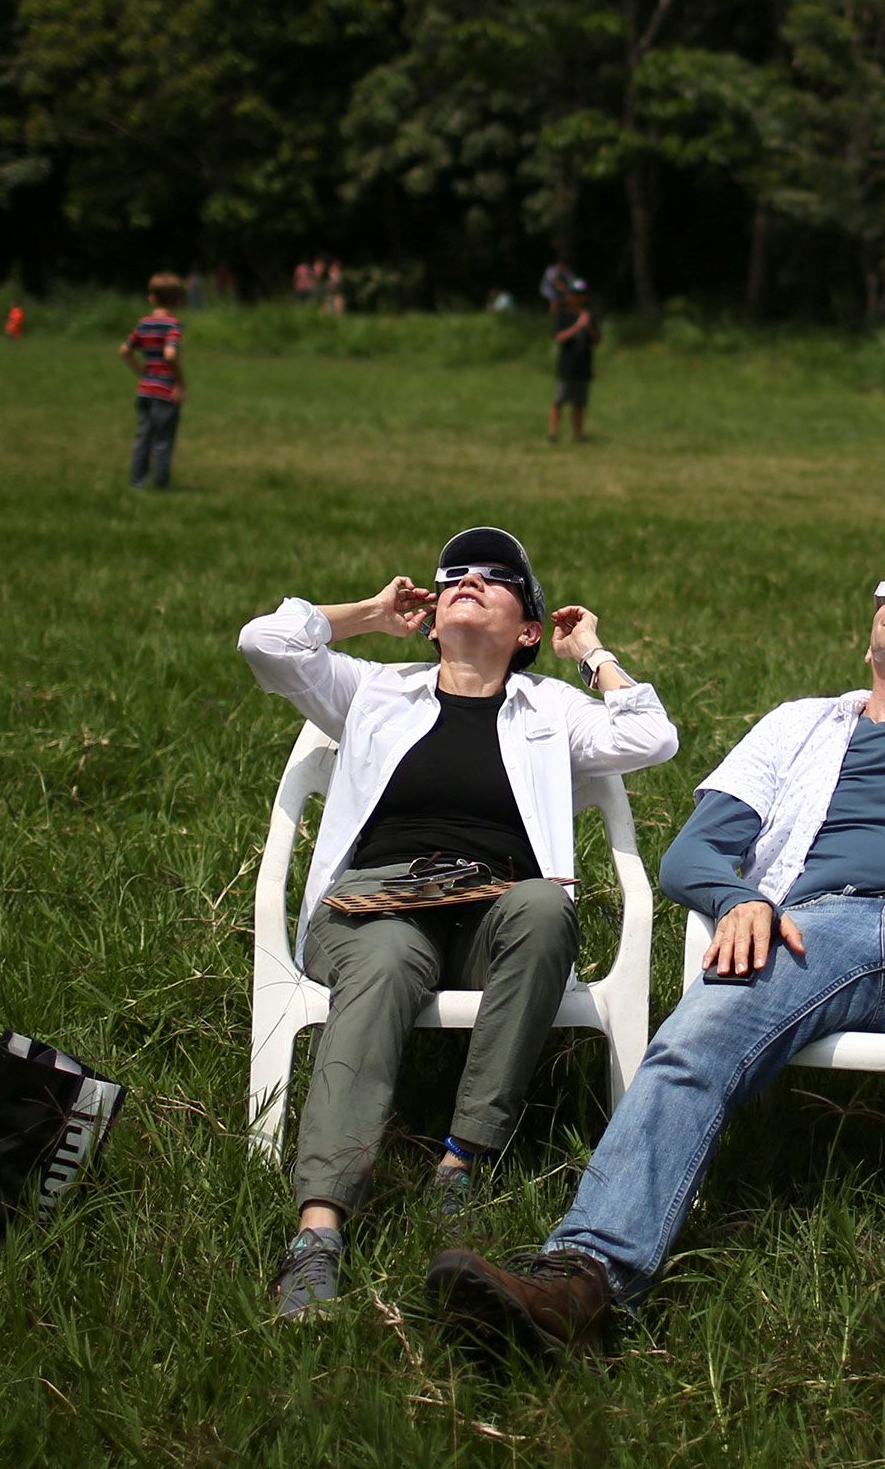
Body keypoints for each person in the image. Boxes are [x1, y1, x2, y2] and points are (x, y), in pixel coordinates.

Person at [424, 559, 885, 1361]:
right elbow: (693, 853)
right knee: (691, 1045)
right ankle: (581, 1281)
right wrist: (742, 901)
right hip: (811, 935)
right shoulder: (797, 725)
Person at [240, 528, 678, 1320]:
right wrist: (371, 614)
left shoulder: (550, 708)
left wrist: (593, 653)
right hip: (374, 906)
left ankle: (460, 1161)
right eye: (455, 576)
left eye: (497, 577)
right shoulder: (373, 691)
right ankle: (318, 1232)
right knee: (382, 965)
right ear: (434, 616)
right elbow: (265, 642)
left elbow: (651, 737)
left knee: (549, 904)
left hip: (493, 914)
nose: (470, 580)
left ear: (527, 631)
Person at [121, 274, 186, 490]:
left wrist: (141, 372)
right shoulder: (173, 325)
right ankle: (162, 485)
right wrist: (179, 382)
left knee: (143, 438)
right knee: (163, 441)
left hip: (145, 390)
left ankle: (137, 483)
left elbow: (125, 351)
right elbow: (170, 355)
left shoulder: (143, 324)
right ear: (178, 301)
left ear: (151, 298)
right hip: (164, 391)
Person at [547, 280, 597, 444]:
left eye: (581, 295)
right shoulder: (564, 316)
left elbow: (597, 339)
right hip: (567, 365)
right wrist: (577, 326)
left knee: (580, 403)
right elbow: (559, 338)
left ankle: (579, 433)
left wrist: (587, 325)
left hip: (584, 365)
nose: (578, 298)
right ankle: (553, 433)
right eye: (575, 294)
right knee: (559, 400)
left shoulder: (589, 315)